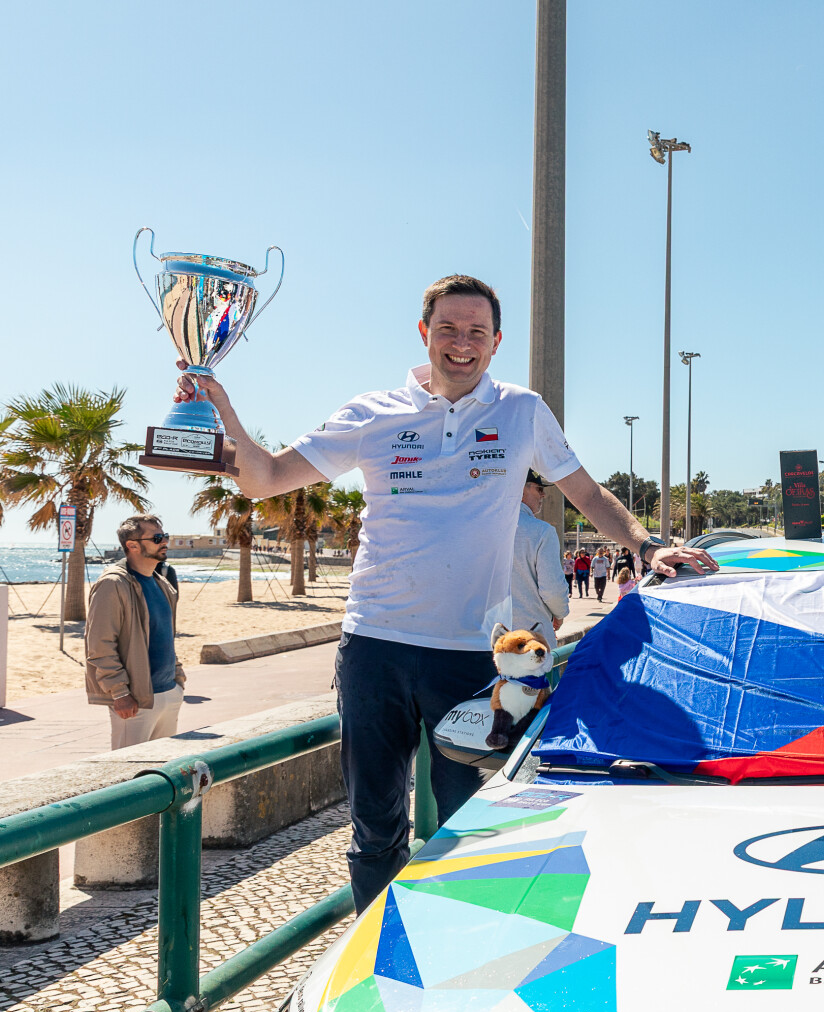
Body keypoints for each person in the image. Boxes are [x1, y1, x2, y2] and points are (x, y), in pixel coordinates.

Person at [173, 274, 717, 911]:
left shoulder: (522, 411)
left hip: (469, 655)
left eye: (477, 332)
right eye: (449, 329)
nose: (463, 343)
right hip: (374, 646)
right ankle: (382, 948)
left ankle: (472, 942)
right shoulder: (371, 413)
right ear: (424, 333)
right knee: (375, 828)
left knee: (475, 825)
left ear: (497, 342)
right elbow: (265, 479)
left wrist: (647, 547)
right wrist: (219, 410)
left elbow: (587, 493)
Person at [86, 515, 186, 749]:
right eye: (157, 538)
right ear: (132, 545)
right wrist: (119, 692)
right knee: (129, 767)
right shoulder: (113, 584)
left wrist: (178, 679)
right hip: (135, 701)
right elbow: (99, 644)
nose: (165, 542)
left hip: (169, 692)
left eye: (165, 536)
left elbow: (165, 636)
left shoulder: (162, 583)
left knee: (163, 766)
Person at [515, 470, 570, 639]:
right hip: (530, 637)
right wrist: (559, 613)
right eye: (539, 489)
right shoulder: (542, 532)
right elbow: (552, 590)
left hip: (485, 639)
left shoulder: (481, 528)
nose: (543, 495)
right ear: (521, 488)